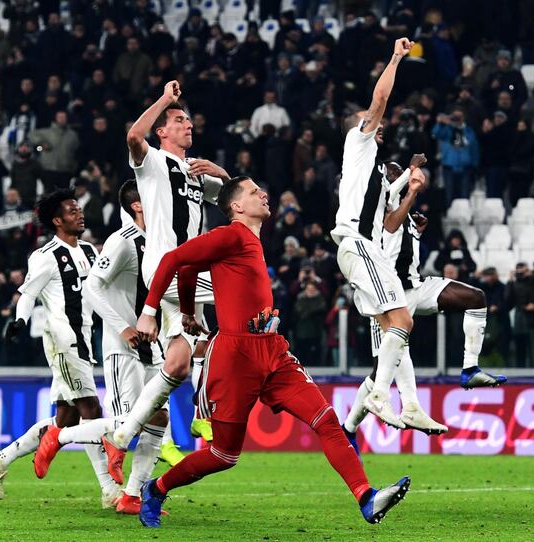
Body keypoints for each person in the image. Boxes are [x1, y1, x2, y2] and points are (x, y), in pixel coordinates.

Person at [135, 176, 411, 527]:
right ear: (237, 207)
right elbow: (175, 259)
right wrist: (150, 312)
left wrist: (189, 312)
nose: (263, 193)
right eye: (253, 192)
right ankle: (156, 489)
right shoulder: (231, 235)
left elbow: (189, 269)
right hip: (234, 358)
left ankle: (366, 497)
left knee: (326, 419)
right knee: (223, 455)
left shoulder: (251, 239)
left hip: (272, 350)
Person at [32, 180, 175, 515]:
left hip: (152, 344)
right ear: (139, 204)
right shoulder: (121, 241)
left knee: (158, 419)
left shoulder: (159, 241)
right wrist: (123, 327)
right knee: (129, 421)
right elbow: (92, 289)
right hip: (123, 345)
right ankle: (58, 436)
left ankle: (131, 495)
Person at [342, 163, 506, 447]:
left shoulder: (404, 212)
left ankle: (469, 369)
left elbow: (400, 242)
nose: (395, 177)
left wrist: (416, 230)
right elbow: (388, 224)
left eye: (398, 173)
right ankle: (349, 428)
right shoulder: (376, 208)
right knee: (380, 370)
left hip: (415, 287)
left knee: (476, 298)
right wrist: (412, 189)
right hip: (387, 297)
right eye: (392, 174)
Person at [0, 189, 120, 508]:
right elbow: (29, 293)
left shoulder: (88, 249)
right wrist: (19, 320)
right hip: (62, 339)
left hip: (83, 336)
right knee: (91, 411)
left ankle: (0, 460)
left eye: (79, 209)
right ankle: (110, 489)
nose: (79, 214)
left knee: (65, 419)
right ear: (57, 221)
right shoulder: (45, 255)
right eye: (72, 211)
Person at [111, 80, 229, 450]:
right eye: (179, 121)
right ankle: (202, 414)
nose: (188, 125)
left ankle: (125, 430)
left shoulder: (196, 171)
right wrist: (165, 99)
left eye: (189, 121)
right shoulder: (154, 164)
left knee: (182, 361)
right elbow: (133, 136)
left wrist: (221, 173)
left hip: (190, 274)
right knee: (239, 293)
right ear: (162, 131)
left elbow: (235, 202)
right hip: (169, 268)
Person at [331, 37, 421, 429]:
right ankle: (382, 396)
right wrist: (396, 57)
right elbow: (380, 99)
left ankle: (406, 404)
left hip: (365, 247)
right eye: (370, 119)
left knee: (394, 326)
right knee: (401, 320)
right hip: (357, 244)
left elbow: (388, 222)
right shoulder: (358, 140)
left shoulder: (375, 172)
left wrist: (409, 187)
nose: (377, 122)